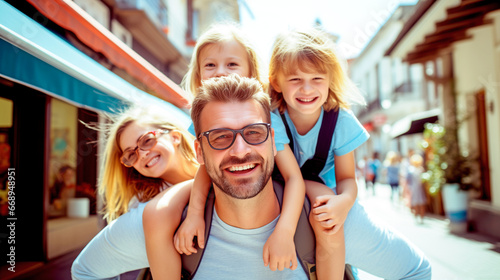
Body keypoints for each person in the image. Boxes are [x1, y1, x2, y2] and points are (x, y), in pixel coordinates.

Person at [145, 23, 341, 280]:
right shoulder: (202, 118)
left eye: (232, 64)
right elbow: (206, 167)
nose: (220, 72)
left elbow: (293, 177)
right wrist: (194, 215)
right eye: (210, 65)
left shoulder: (264, 117)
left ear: (251, 71)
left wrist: (284, 231)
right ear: (198, 74)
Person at [267, 27, 431, 279]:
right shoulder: (272, 117)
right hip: (293, 196)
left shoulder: (340, 121)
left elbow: (347, 179)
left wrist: (342, 203)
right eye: (295, 79)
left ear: (330, 79)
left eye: (317, 79)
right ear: (276, 81)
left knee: (414, 269)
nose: (307, 89)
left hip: (331, 200)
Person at [145, 74, 316, 279]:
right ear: (199, 152)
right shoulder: (168, 232)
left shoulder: (326, 222)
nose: (240, 150)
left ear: (273, 142)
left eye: (254, 132)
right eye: (221, 137)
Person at [71, 105, 198, 279]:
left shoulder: (211, 164)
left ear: (175, 136)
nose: (143, 154)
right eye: (131, 154)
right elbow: (83, 270)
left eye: (147, 140)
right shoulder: (146, 209)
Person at [406, 153, 427, 224]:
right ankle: (421, 217)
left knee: (416, 203)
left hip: (414, 188)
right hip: (419, 188)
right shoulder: (420, 170)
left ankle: (417, 217)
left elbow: (408, 181)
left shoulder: (411, 170)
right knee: (420, 202)